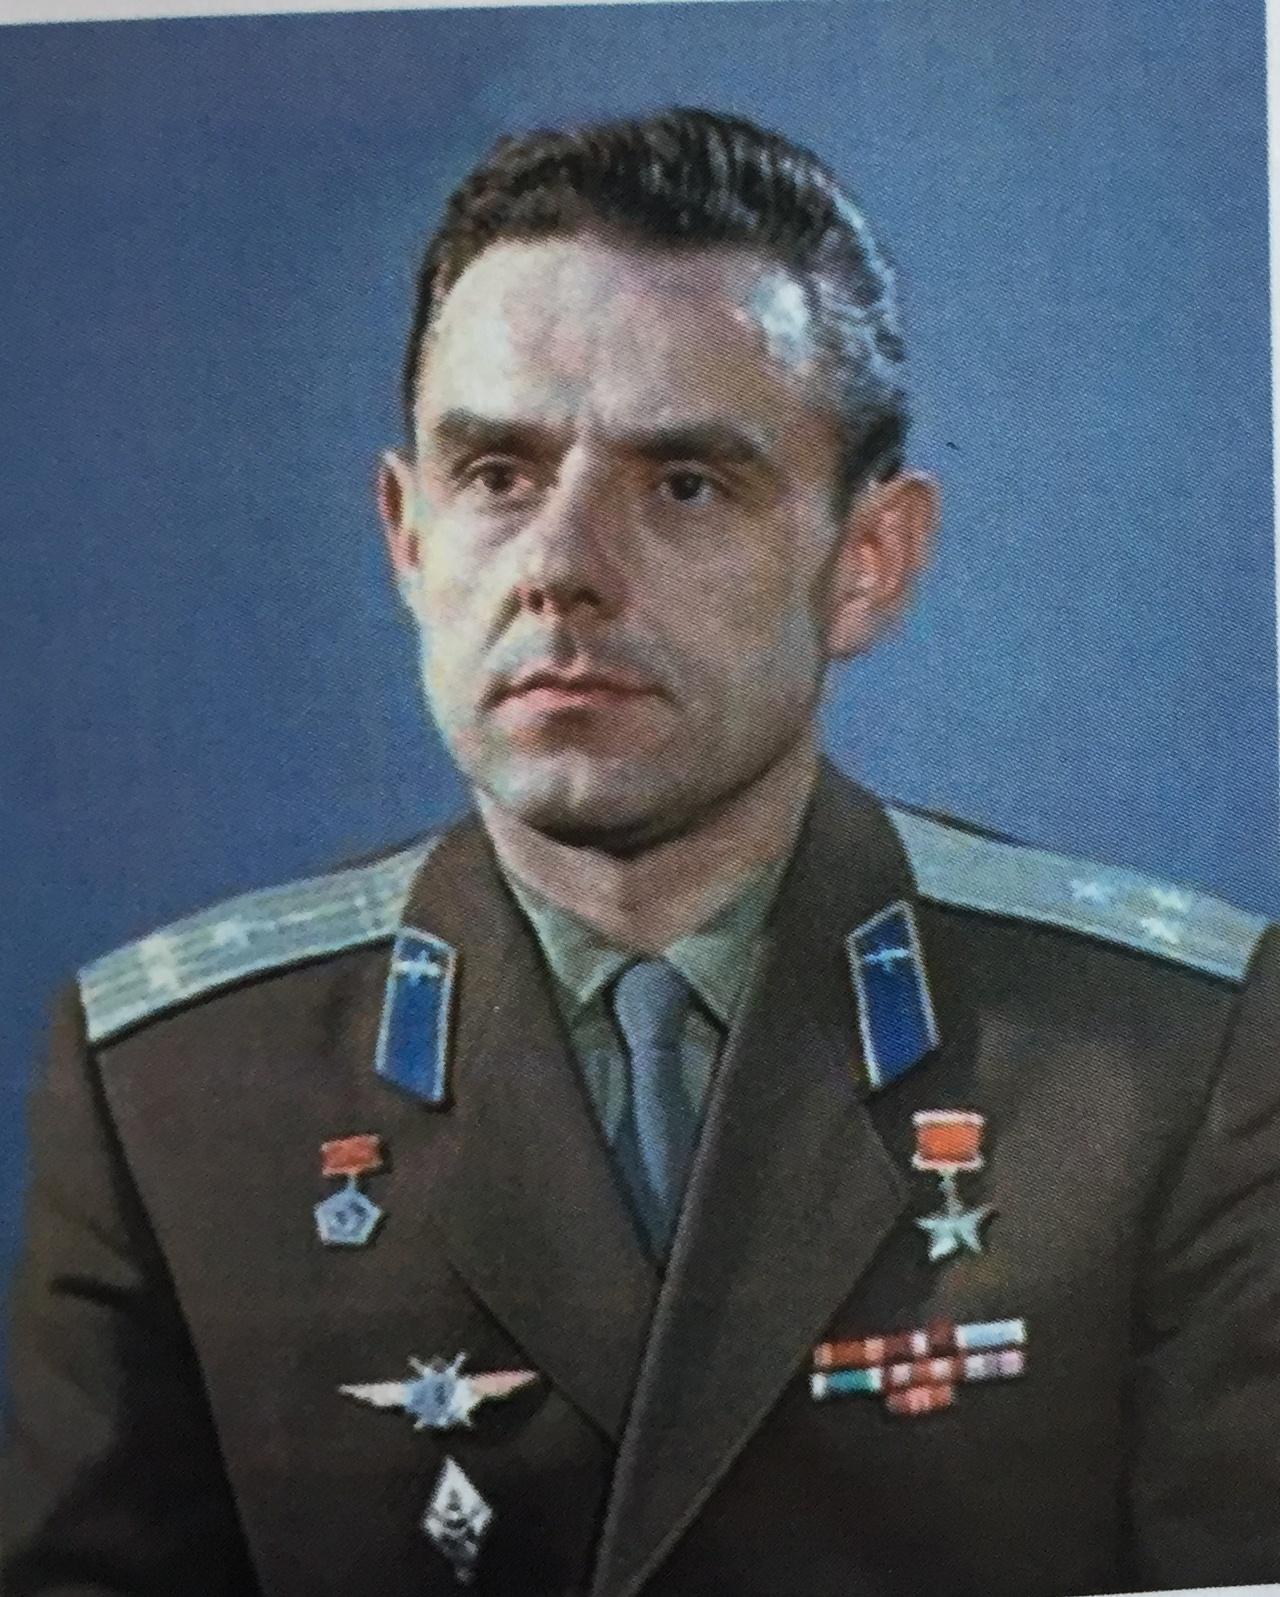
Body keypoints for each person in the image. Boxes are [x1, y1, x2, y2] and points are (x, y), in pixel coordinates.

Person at [3, 107, 1279, 1597]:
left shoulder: (1164, 1063)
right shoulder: (176, 1091)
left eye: (683, 484)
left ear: (867, 562)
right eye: (496, 473)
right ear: (407, 536)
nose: (560, 566)